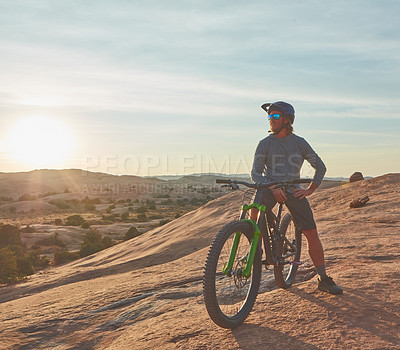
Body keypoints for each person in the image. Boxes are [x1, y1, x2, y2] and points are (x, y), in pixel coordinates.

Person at [250, 101, 343, 295]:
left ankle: (323, 279)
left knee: (311, 233)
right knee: (254, 208)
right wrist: (272, 186)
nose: (271, 120)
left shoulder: (299, 142)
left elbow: (321, 166)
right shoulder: (264, 144)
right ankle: (255, 249)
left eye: (275, 116)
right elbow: (256, 174)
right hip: (270, 188)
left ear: (287, 120)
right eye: (269, 116)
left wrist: (310, 189)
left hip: (293, 190)